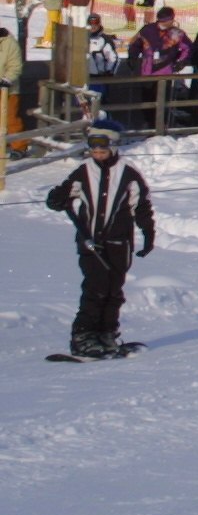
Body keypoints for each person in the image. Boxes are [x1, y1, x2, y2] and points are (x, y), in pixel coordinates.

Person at [45, 129, 155, 357]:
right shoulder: (84, 171)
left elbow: (141, 206)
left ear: (113, 147)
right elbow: (64, 194)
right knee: (96, 288)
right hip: (90, 241)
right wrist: (55, 199)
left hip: (119, 242)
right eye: (93, 150)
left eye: (102, 150)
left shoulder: (128, 174)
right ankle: (83, 336)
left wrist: (148, 234)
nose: (97, 154)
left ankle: (106, 333)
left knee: (113, 289)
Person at [0, 22, 21, 146]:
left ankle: (18, 146)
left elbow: (15, 66)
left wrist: (7, 79)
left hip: (7, 89)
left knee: (10, 118)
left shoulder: (9, 43)